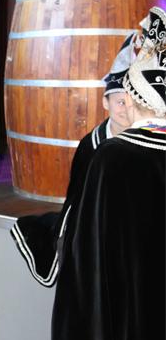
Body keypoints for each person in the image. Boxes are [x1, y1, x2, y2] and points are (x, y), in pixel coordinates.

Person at [28, 5, 166, 340]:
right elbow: (82, 210)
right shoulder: (100, 148)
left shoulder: (113, 156)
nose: (119, 108)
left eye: (126, 98)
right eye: (114, 99)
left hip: (110, 296)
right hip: (146, 300)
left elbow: (87, 234)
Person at [10, 38, 136, 286]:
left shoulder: (142, 142)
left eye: (131, 103)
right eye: (120, 102)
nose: (126, 110)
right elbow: (78, 197)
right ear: (105, 102)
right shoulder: (91, 146)